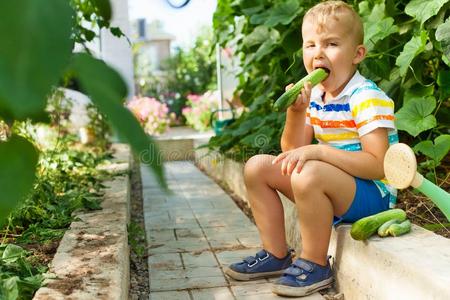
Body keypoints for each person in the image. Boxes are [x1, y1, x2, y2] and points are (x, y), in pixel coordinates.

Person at [224, 0, 399, 297]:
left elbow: (379, 165)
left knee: (311, 172)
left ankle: (316, 263)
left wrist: (318, 153)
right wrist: (297, 112)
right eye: (310, 45)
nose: (318, 53)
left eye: (331, 43)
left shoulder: (365, 96)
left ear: (357, 54)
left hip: (372, 196)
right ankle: (276, 254)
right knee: (257, 167)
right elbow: (292, 150)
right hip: (330, 187)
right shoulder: (317, 94)